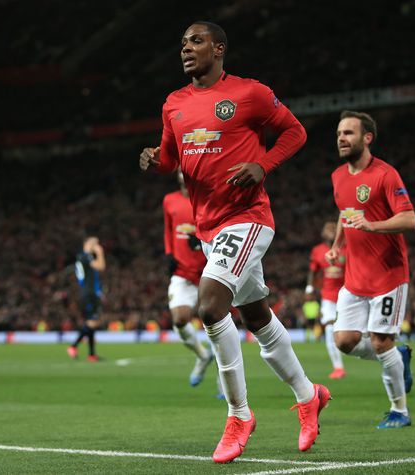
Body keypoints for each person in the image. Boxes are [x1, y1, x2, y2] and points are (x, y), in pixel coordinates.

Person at [139, 21, 330, 463]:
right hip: (209, 227)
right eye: (183, 42)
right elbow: (172, 159)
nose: (186, 48)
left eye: (197, 41)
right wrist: (154, 159)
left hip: (246, 219)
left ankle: (239, 415)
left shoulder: (250, 94)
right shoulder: (174, 103)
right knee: (258, 317)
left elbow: (295, 132)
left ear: (219, 48)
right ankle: (308, 395)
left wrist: (263, 165)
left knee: (209, 307)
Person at [325, 110, 415, 429]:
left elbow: (409, 219)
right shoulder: (338, 177)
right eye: (339, 133)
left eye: (348, 133)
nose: (341, 138)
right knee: (344, 340)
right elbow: (343, 212)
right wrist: (337, 245)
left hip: (388, 276)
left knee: (379, 341)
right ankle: (397, 355)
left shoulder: (385, 175)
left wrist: (373, 225)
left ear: (367, 138)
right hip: (354, 277)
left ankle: (399, 411)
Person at [163, 169, 215, 386]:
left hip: (207, 271)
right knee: (179, 319)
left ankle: (225, 385)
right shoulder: (169, 200)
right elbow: (168, 229)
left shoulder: (206, 199)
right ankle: (203, 356)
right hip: (181, 272)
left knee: (215, 324)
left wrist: (202, 241)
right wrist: (168, 253)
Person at [306, 221, 346, 379]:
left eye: (332, 229)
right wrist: (309, 288)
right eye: (327, 229)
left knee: (357, 334)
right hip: (328, 295)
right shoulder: (318, 251)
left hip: (347, 294)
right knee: (329, 328)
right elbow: (312, 271)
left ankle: (387, 355)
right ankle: (338, 368)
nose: (329, 231)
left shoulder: (347, 248)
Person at [68, 235, 106, 362]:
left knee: (92, 323)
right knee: (92, 322)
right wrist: (100, 253)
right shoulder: (86, 256)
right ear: (87, 244)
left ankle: (91, 354)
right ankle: (73, 346)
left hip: (89, 293)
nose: (96, 246)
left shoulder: (82, 257)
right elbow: (101, 266)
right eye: (94, 243)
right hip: (88, 294)